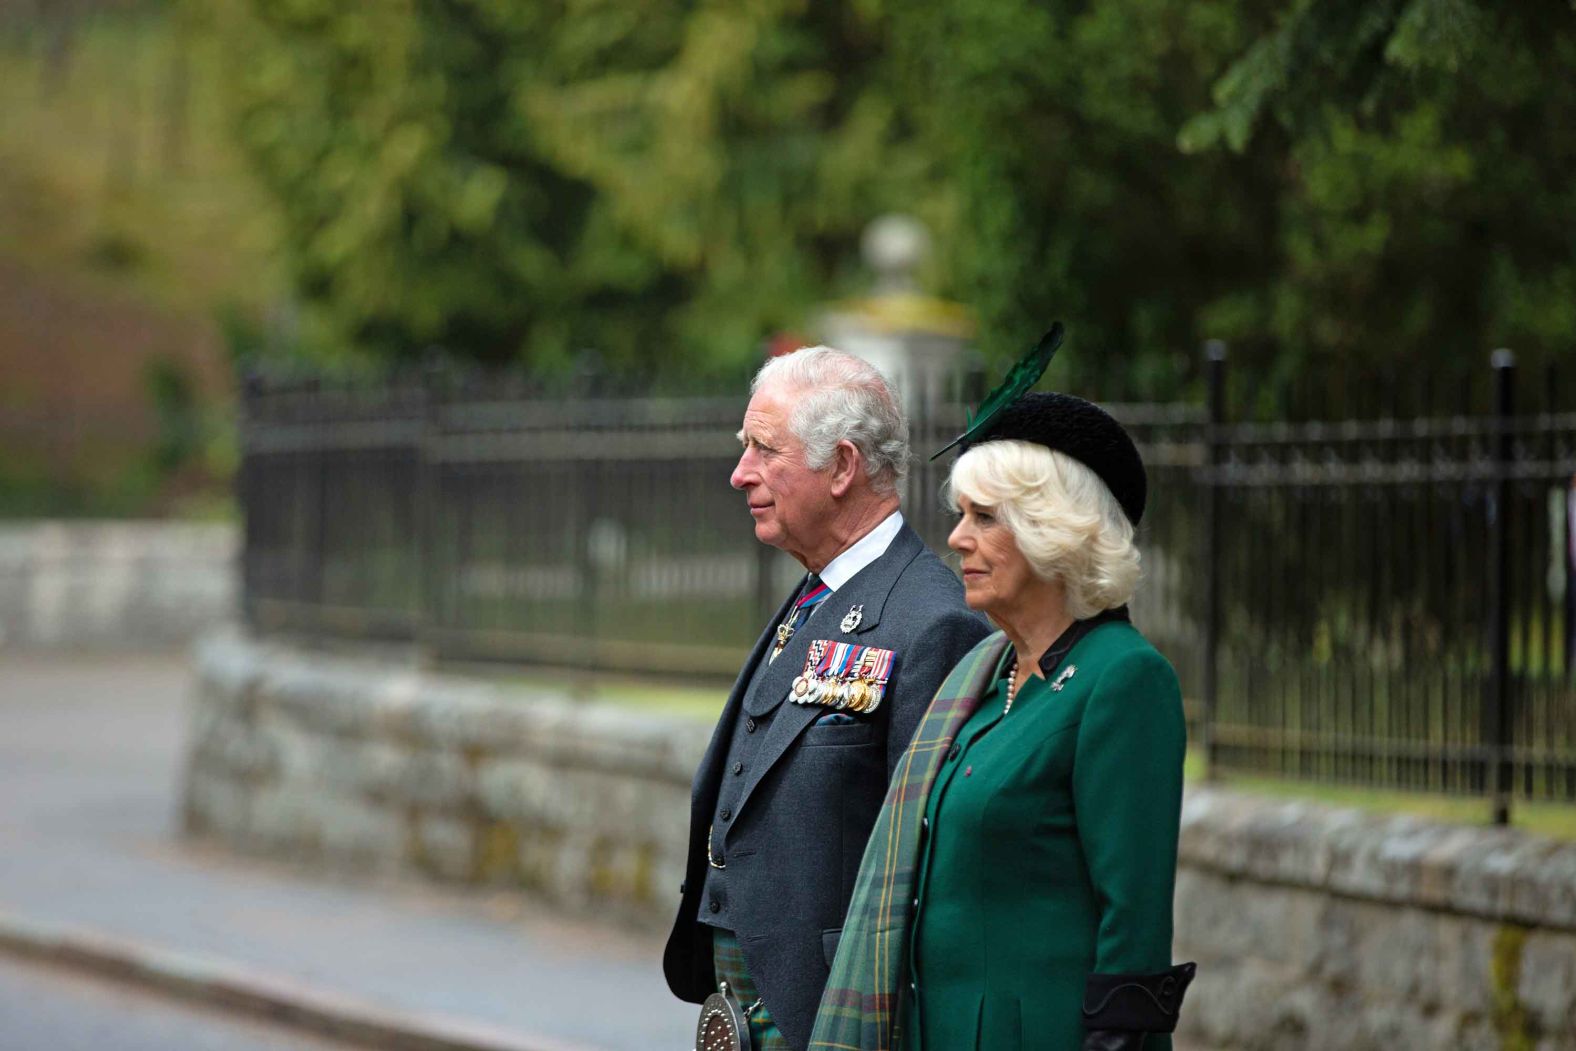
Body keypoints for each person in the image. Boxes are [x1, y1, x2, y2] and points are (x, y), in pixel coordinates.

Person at [811, 386, 1195, 1051]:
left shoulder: (1124, 679)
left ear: (1056, 529)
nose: (958, 537)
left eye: (985, 517)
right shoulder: (985, 676)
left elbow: (1132, 927)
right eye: (962, 514)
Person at [664, 347, 990, 1051]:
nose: (740, 472)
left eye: (763, 448)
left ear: (842, 467)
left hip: (835, 1014)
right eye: (742, 446)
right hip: (746, 1000)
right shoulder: (817, 593)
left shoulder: (934, 621)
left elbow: (930, 872)